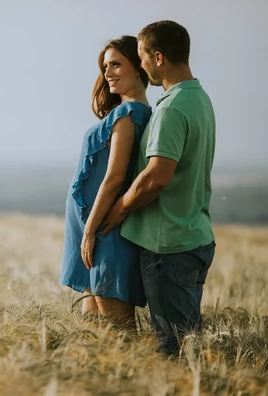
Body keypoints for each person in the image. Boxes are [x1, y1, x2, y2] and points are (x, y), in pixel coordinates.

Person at [101, 21, 216, 355]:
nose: (142, 65)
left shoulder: (170, 108)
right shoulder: (200, 98)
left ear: (159, 57)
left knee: (174, 349)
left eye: (142, 57)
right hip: (194, 235)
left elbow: (156, 177)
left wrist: (119, 208)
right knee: (187, 341)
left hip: (169, 246)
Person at [60, 35, 152, 330]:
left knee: (119, 328)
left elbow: (113, 179)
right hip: (93, 228)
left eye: (116, 64)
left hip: (103, 230)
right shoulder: (122, 111)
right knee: (92, 330)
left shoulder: (129, 114)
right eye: (105, 67)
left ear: (138, 67)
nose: (108, 73)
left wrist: (88, 232)